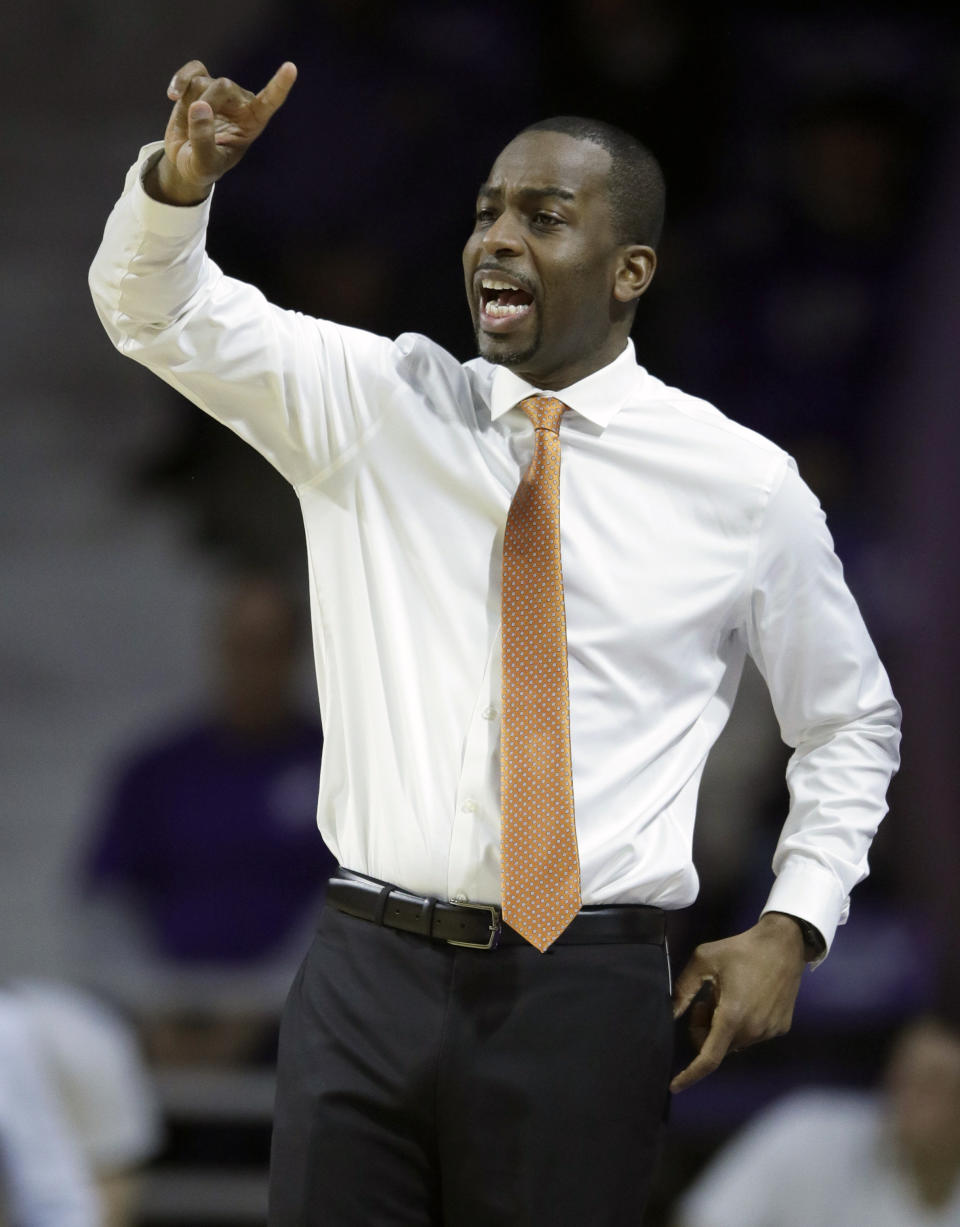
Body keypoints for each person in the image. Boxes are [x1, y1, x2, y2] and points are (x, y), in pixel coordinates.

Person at [88, 59, 900, 1227]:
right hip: (366, 970)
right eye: (486, 213)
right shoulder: (375, 403)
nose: (498, 239)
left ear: (631, 273)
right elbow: (150, 311)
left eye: (544, 217)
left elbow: (851, 721)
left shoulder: (742, 482)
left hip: (587, 986)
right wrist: (176, 184)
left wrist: (796, 919)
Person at [80, 574, 332, 1063]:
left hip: (295, 1028)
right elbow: (104, 902)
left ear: (297, 654)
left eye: (268, 648)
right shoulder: (157, 769)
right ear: (217, 647)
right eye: (241, 646)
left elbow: (344, 910)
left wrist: (255, 1012)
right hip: (162, 1022)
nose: (253, 666)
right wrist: (151, 1009)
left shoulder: (336, 772)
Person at [673, 1016, 960, 1227]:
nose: (904, 1096)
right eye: (902, 1076)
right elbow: (702, 1219)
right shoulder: (807, 1128)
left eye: (931, 1084)